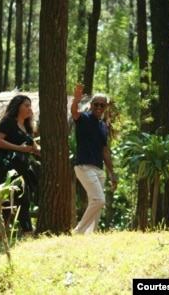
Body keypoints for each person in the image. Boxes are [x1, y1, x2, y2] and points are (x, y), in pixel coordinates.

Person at [0, 95, 41, 241]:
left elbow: (33, 148)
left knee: (24, 202)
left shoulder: (28, 127)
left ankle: (27, 235)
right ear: (17, 107)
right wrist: (17, 148)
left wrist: (49, 152)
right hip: (7, 171)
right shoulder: (8, 122)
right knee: (5, 206)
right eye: (26, 105)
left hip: (23, 172)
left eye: (30, 105)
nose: (29, 108)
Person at [71, 84, 117, 234]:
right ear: (91, 105)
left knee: (95, 201)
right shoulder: (84, 118)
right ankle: (78, 231)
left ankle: (90, 234)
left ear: (105, 107)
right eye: (96, 104)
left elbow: (105, 151)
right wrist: (76, 100)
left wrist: (112, 173)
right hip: (84, 166)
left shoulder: (103, 126)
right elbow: (74, 114)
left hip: (98, 168)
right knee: (99, 199)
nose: (99, 107)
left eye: (102, 105)